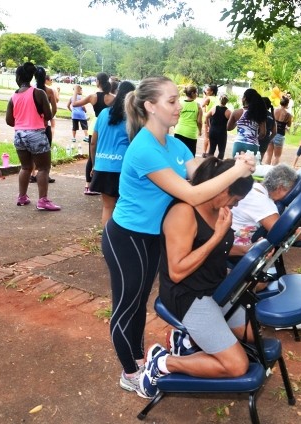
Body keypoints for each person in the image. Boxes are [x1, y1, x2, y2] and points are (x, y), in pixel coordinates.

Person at [100, 76, 255, 397]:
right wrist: (236, 172)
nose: (179, 105)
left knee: (139, 304)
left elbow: (202, 169)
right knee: (127, 306)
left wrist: (235, 165)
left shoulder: (173, 145)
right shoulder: (144, 148)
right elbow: (192, 192)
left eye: (178, 99)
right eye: (171, 101)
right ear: (150, 106)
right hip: (127, 238)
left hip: (151, 237)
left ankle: (144, 360)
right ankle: (131, 372)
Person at [139, 157, 255, 398]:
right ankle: (163, 362)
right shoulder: (184, 212)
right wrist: (217, 236)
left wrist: (246, 250)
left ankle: (187, 342)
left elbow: (215, 246)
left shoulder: (216, 207)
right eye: (234, 200)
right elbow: (177, 271)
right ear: (223, 188)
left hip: (215, 286)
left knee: (252, 335)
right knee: (236, 365)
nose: (233, 206)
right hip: (187, 294)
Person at [231, 164, 301, 252]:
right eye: (290, 190)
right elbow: (283, 233)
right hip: (235, 248)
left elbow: (282, 218)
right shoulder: (263, 203)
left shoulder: (256, 188)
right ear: (280, 188)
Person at [5, 62, 60, 211]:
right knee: (43, 168)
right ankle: (42, 200)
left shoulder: (14, 96)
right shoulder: (38, 93)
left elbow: (9, 121)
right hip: (36, 133)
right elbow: (48, 115)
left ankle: (22, 197)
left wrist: (22, 120)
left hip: (19, 134)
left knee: (25, 167)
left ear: (18, 77)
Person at [89, 81, 136, 226]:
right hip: (122, 168)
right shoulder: (132, 118)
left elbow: (93, 142)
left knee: (107, 207)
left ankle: (107, 240)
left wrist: (94, 165)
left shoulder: (103, 113)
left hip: (102, 166)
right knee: (123, 207)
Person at [72, 73, 114, 195]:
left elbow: (74, 104)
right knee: (106, 154)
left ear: (98, 82)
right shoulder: (112, 97)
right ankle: (104, 184)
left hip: (94, 126)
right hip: (107, 127)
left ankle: (88, 185)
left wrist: (75, 91)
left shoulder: (92, 97)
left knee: (92, 156)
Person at [31, 67, 57, 185]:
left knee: (32, 151)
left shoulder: (31, 90)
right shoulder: (49, 91)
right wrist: (47, 118)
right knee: (46, 151)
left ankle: (32, 174)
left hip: (32, 125)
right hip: (44, 126)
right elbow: (54, 109)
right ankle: (45, 174)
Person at [227, 88, 267, 158]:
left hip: (238, 143)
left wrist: (237, 123)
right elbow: (263, 133)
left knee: (236, 166)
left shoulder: (236, 112)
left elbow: (228, 128)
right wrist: (256, 138)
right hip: (252, 145)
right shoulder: (259, 113)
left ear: (244, 98)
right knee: (250, 167)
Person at [173, 85, 202, 156]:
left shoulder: (180, 104)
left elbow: (174, 118)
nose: (197, 95)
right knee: (190, 156)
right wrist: (200, 131)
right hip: (191, 133)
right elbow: (199, 121)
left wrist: (176, 128)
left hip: (179, 131)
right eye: (196, 93)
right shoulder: (198, 106)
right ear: (192, 93)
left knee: (178, 155)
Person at [263, 96, 292, 165]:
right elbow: (289, 125)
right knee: (277, 156)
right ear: (287, 104)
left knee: (269, 155)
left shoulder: (274, 110)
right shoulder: (288, 114)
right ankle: (273, 174)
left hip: (271, 134)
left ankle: (265, 172)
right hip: (280, 135)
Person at [205, 93, 231, 159]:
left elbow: (206, 117)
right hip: (222, 132)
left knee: (211, 149)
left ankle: (209, 164)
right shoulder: (228, 112)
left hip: (213, 131)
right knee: (221, 151)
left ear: (220, 100)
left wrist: (209, 126)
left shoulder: (214, 109)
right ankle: (219, 165)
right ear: (227, 102)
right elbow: (231, 122)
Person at [201, 84, 218, 157]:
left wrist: (204, 98)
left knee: (206, 136)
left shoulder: (208, 98)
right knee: (212, 137)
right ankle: (209, 152)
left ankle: (204, 152)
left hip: (208, 118)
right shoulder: (217, 98)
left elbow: (202, 105)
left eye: (208, 90)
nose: (206, 91)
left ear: (211, 92)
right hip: (215, 119)